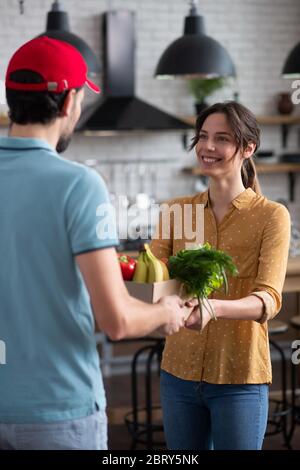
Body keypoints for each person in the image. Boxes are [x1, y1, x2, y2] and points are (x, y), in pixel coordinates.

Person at [0, 36, 188, 450]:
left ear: (12, 98)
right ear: (69, 103)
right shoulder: (78, 184)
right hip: (57, 410)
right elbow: (116, 320)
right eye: (81, 98)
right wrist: (164, 310)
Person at [150, 101, 291, 450]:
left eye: (222, 139)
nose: (208, 147)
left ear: (247, 148)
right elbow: (152, 278)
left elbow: (268, 300)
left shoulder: (271, 216)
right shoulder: (176, 211)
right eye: (203, 137)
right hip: (178, 372)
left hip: (239, 375)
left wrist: (213, 308)